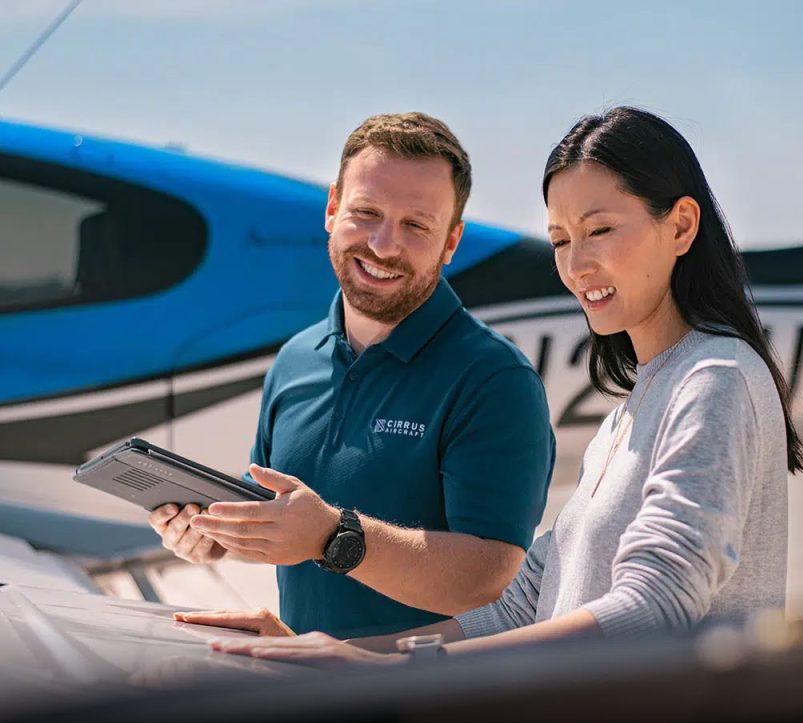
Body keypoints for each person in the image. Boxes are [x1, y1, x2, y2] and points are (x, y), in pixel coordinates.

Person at [176, 106, 803, 662]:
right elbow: (523, 604)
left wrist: (394, 669)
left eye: (601, 230)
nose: (577, 265)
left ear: (681, 226)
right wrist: (331, 654)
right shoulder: (633, 408)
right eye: (560, 240)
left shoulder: (715, 378)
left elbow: (655, 609)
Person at [151, 112, 556, 639]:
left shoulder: (494, 379)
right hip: (302, 683)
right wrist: (216, 535)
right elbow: (289, 526)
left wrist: (334, 538)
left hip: (433, 706)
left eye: (416, 225)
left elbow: (487, 579)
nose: (385, 246)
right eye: (366, 212)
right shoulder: (295, 360)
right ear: (332, 208)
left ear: (451, 242)